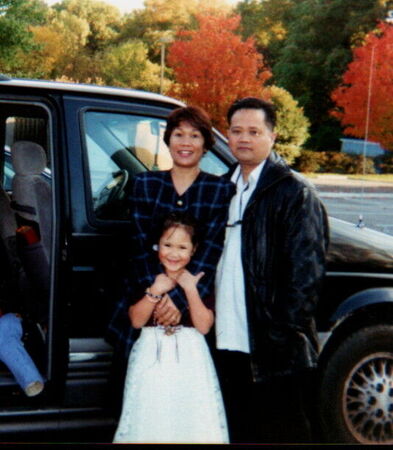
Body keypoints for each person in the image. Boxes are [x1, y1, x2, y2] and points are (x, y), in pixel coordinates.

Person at [213, 97, 329, 443]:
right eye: (236, 131)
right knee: (238, 429)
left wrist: (280, 333)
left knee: (283, 430)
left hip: (273, 348)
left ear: (273, 136)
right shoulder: (221, 188)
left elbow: (306, 276)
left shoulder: (294, 192)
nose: (243, 139)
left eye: (254, 131)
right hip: (225, 338)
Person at [106, 105, 235, 414]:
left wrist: (178, 302)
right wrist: (160, 294)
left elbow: (211, 252)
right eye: (178, 135)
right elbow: (139, 246)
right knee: (141, 401)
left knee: (186, 404)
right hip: (146, 297)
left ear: (206, 143)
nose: (185, 143)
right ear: (168, 140)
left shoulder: (219, 190)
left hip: (194, 307)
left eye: (194, 135)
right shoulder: (145, 184)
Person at [113, 212, 229, 443]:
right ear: (157, 246)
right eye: (167, 245)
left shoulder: (200, 279)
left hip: (191, 356)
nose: (174, 254)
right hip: (151, 354)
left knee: (191, 413)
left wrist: (190, 289)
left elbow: (204, 326)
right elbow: (136, 320)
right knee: (150, 409)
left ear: (194, 250)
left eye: (182, 247)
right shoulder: (146, 275)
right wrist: (155, 291)